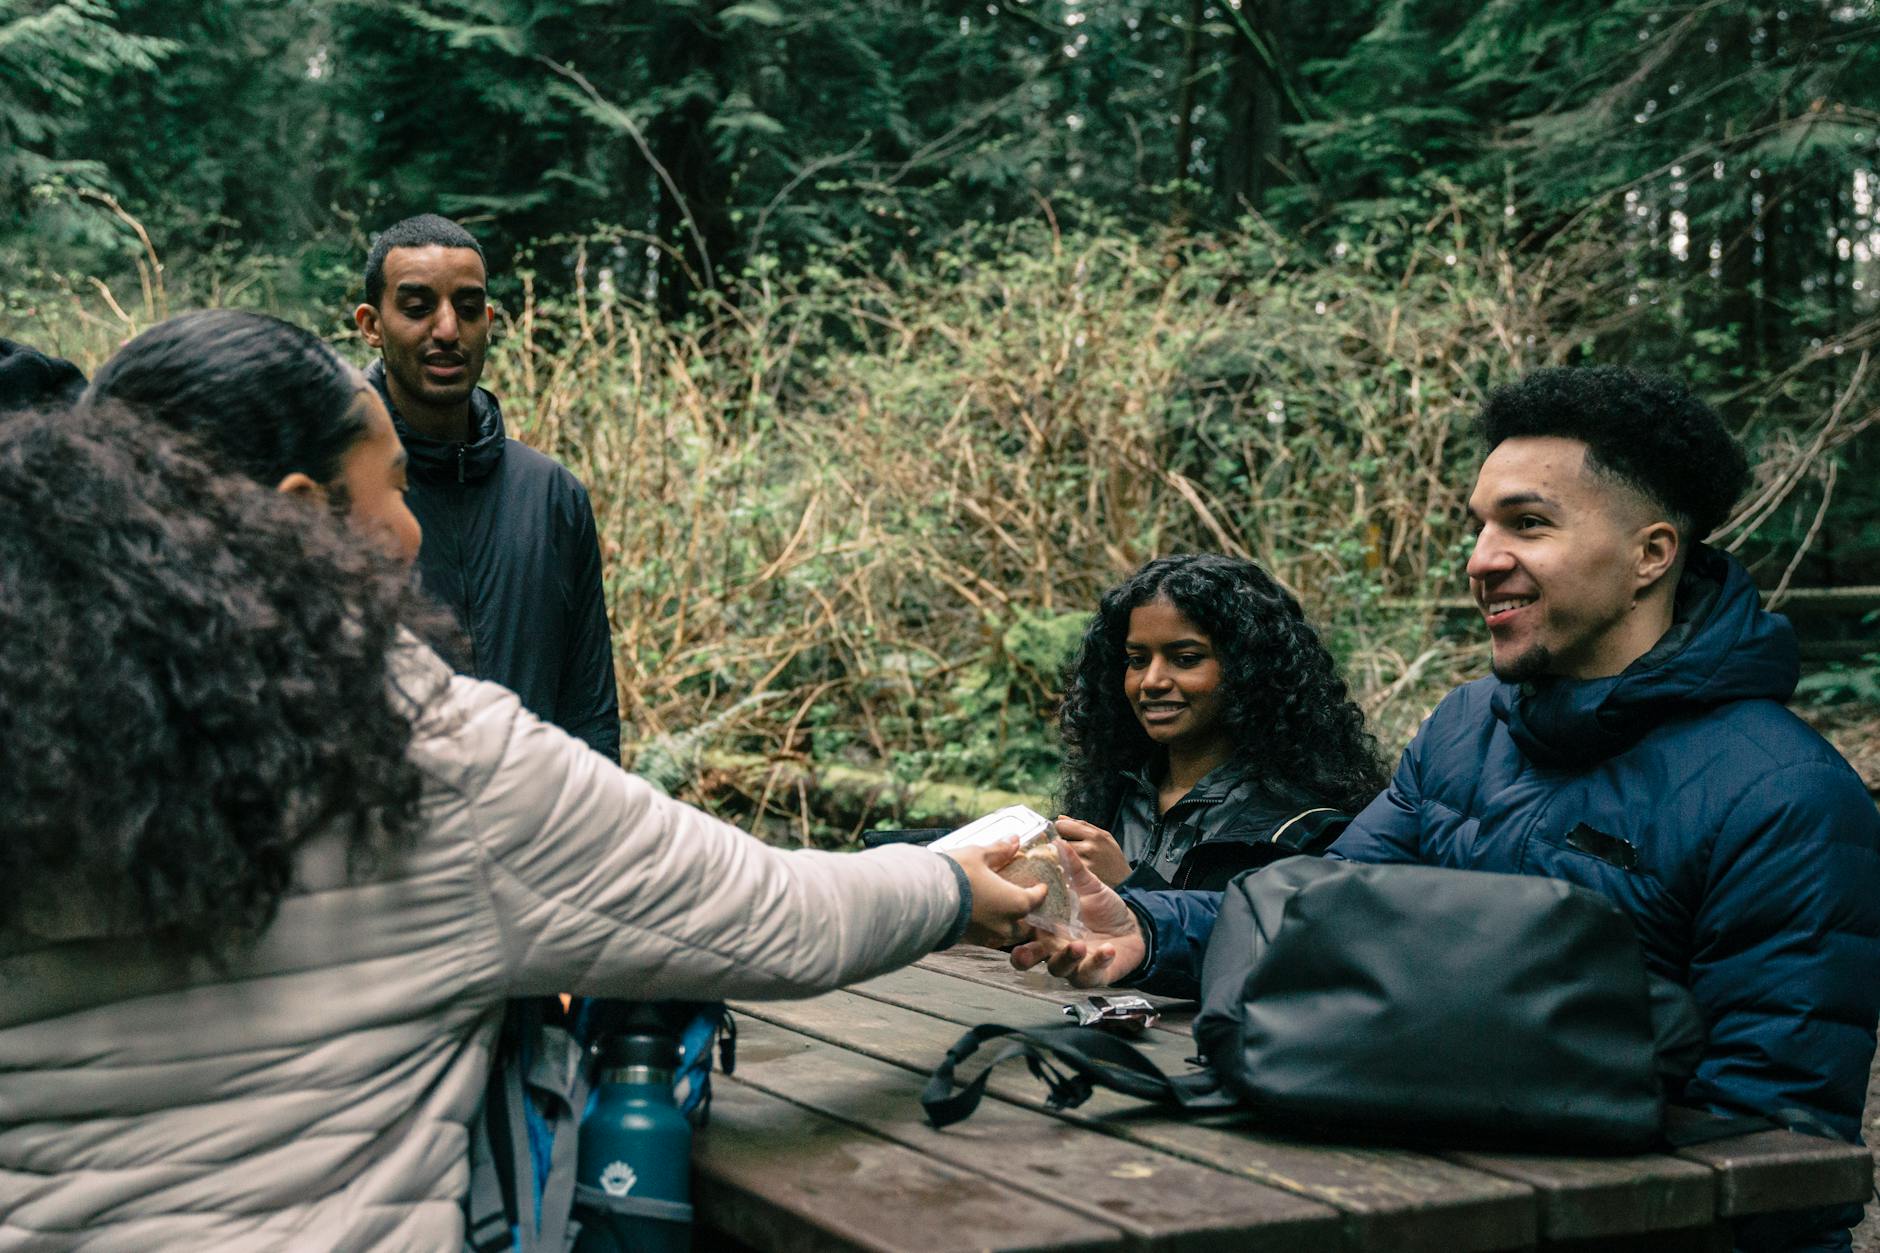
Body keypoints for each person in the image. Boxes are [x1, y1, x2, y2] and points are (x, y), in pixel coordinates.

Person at [2, 316, 1043, 1248]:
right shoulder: (420, 763)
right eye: (395, 486)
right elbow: (784, 916)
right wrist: (950, 882)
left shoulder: (30, 740)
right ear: (303, 512)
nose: (411, 532)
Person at [1015, 366, 1880, 1252]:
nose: (1481, 558)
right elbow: (1319, 907)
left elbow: (1777, 1164)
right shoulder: (1467, 728)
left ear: (1650, 555)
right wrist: (1145, 928)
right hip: (1405, 1202)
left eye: (1528, 523)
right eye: (1480, 525)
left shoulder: (1786, 797)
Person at [354, 213, 621, 761]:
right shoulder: (331, 491)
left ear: (490, 321)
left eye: (469, 309)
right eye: (417, 306)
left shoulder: (552, 495)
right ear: (371, 324)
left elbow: (589, 705)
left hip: (541, 831)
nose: (448, 330)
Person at [1053, 553, 1387, 890]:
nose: (1151, 681)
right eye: (1137, 660)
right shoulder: (1114, 795)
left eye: (1185, 659)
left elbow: (1266, 939)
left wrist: (1129, 887)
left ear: (1249, 668)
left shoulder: (1300, 830)